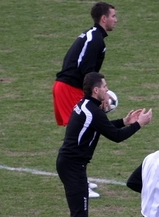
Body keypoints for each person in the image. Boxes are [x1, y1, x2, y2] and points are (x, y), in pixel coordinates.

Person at [57, 72, 152, 217]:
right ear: (96, 90)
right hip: (73, 166)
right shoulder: (93, 111)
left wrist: (125, 121)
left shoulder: (87, 106)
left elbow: (102, 126)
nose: (108, 90)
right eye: (105, 87)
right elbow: (115, 136)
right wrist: (139, 124)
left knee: (82, 215)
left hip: (73, 165)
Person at [53, 2, 118, 199]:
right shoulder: (95, 39)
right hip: (70, 88)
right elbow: (86, 70)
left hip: (71, 87)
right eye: (113, 16)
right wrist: (98, 95)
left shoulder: (94, 37)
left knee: (84, 133)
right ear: (104, 18)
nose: (116, 20)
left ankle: (80, 179)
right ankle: (78, 183)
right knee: (81, 135)